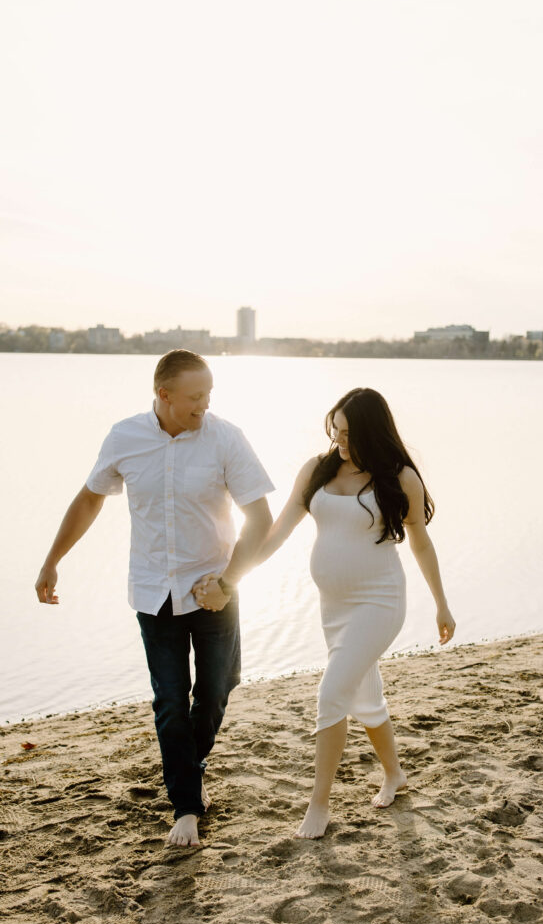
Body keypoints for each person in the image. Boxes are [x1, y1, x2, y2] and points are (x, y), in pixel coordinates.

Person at [35, 349, 273, 848]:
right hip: (153, 590)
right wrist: (53, 559)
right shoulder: (126, 437)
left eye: (209, 395)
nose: (204, 405)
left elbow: (261, 520)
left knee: (217, 689)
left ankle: (190, 764)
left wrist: (227, 582)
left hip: (214, 589)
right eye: (194, 396)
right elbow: (90, 498)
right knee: (169, 701)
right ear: (163, 395)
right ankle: (186, 804)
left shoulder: (225, 437)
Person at [255, 387, 455, 839]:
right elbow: (281, 527)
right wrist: (236, 573)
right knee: (364, 696)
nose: (340, 440)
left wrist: (441, 603)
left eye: (348, 432)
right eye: (336, 430)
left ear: (370, 430)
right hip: (335, 606)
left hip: (380, 601)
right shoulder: (317, 470)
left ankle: (319, 805)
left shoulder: (399, 476)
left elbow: (420, 541)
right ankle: (395, 774)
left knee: (332, 693)